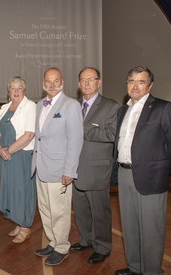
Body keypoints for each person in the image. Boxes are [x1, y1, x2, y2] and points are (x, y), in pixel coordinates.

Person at [114, 65, 171, 275]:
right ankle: (135, 266)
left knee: (152, 229)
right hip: (125, 175)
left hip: (152, 177)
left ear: (150, 85)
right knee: (130, 225)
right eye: (131, 81)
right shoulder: (122, 111)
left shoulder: (163, 108)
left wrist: (164, 169)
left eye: (141, 82)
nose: (135, 86)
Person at [31, 67, 83, 266]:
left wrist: (70, 171)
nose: (52, 85)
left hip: (60, 169)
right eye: (48, 81)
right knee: (45, 209)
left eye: (56, 81)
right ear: (43, 83)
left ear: (62, 82)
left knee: (60, 211)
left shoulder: (71, 105)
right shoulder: (38, 105)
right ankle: (52, 242)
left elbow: (75, 141)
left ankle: (61, 246)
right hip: (41, 167)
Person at [70, 67, 120, 264]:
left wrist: (84, 129)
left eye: (91, 79)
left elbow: (111, 134)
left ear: (99, 82)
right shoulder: (74, 106)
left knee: (100, 212)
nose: (87, 83)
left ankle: (103, 246)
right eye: (83, 79)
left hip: (97, 169)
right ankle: (86, 239)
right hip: (75, 168)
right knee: (81, 210)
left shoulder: (111, 106)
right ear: (78, 84)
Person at [0, 76, 36, 244]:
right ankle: (18, 222)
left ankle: (26, 226)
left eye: (19, 88)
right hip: (6, 156)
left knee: (23, 190)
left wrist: (8, 151)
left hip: (21, 155)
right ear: (8, 92)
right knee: (12, 189)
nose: (16, 91)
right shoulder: (3, 109)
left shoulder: (30, 106)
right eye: (13, 88)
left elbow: (29, 134)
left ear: (24, 91)